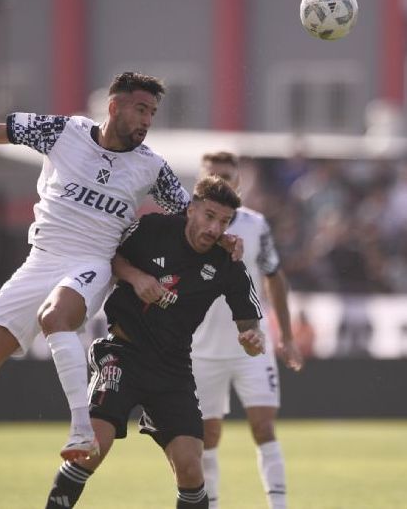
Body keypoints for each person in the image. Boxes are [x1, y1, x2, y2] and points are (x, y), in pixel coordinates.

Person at [0, 72, 193, 499]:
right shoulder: (64, 131)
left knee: (56, 317)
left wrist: (226, 234)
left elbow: (192, 215)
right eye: (141, 109)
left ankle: (82, 431)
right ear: (115, 106)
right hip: (41, 260)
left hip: (92, 262)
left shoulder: (151, 166)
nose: (147, 121)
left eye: (152, 114)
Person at [44, 175, 265, 509]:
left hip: (173, 368)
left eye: (224, 222)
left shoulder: (227, 264)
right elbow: (109, 256)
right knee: (92, 447)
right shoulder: (152, 229)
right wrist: (135, 277)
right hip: (123, 353)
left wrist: (252, 339)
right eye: (209, 216)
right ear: (191, 210)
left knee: (191, 468)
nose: (215, 229)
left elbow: (250, 324)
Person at [191, 151, 303, 509]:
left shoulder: (256, 225)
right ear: (201, 181)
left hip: (252, 346)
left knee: (264, 428)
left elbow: (274, 278)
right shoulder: (186, 223)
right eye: (215, 174)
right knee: (207, 437)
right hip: (201, 350)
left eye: (228, 174)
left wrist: (285, 337)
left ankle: (279, 506)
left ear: (239, 181)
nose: (222, 180)